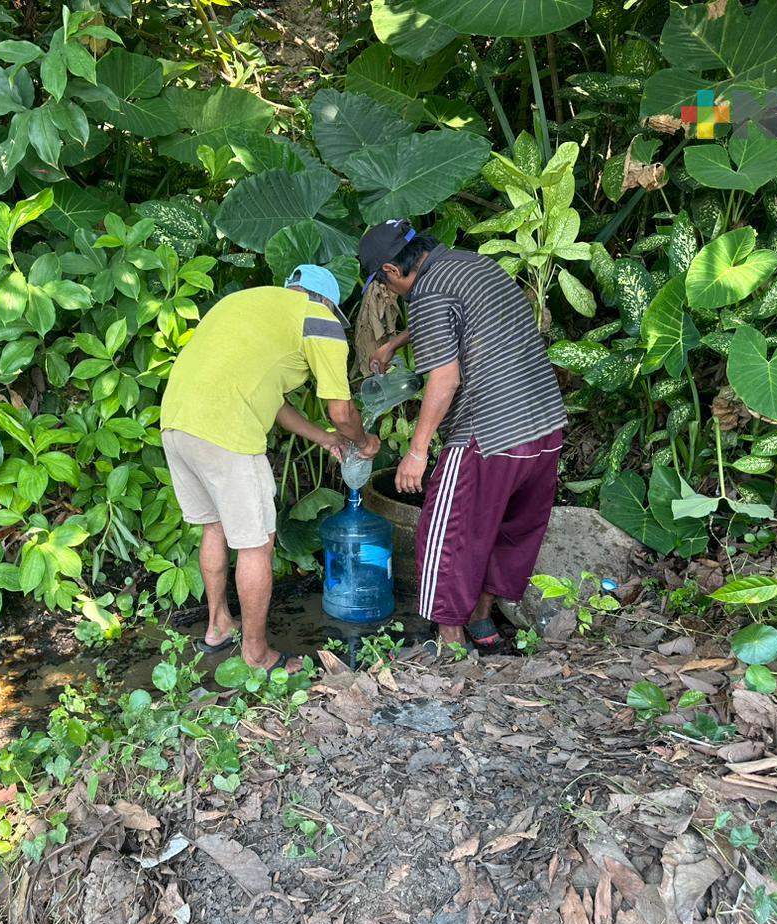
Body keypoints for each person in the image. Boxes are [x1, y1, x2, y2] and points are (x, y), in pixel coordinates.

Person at [357, 219, 566, 653]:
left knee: (447, 533)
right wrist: (396, 343)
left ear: (392, 271)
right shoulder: (474, 265)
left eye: (383, 283)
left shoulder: (428, 293)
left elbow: (445, 378)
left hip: (488, 433)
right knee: (508, 529)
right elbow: (469, 316)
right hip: (544, 427)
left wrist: (417, 451)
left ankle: (450, 641)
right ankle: (481, 619)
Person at [160, 265, 380, 673]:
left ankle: (218, 626)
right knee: (257, 544)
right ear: (326, 302)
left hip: (176, 423)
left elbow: (274, 402)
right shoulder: (320, 318)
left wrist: (325, 438)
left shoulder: (245, 304)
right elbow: (342, 410)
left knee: (214, 528)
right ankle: (258, 655)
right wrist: (364, 442)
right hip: (227, 430)